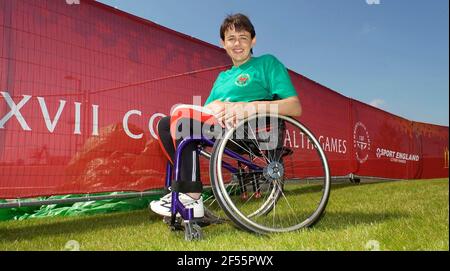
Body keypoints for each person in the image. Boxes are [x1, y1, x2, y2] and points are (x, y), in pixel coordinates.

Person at [150, 13, 302, 218]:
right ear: (223, 43)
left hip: (248, 131)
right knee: (166, 124)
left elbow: (294, 107)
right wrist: (214, 106)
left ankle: (191, 196)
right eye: (231, 39)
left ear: (253, 40)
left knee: (183, 121)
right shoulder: (223, 77)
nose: (237, 43)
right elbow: (203, 112)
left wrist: (247, 107)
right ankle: (181, 189)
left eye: (243, 38)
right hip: (219, 128)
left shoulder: (267, 63)